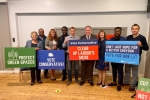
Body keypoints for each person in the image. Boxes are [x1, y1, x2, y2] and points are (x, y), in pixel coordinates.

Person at [124, 24, 149, 91]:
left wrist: (141, 45)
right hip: (128, 56)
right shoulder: (128, 37)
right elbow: (125, 47)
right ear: (131, 30)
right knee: (127, 70)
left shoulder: (142, 37)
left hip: (136, 57)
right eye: (133, 29)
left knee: (135, 71)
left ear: (138, 29)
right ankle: (126, 82)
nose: (134, 30)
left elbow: (147, 48)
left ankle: (133, 85)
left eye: (136, 29)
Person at [108, 27, 126, 91]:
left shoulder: (124, 39)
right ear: (114, 32)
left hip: (121, 59)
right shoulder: (111, 39)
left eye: (118, 31)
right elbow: (109, 49)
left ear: (120, 32)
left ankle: (119, 84)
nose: (117, 32)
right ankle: (114, 82)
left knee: (120, 71)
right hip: (113, 58)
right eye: (116, 31)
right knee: (114, 70)